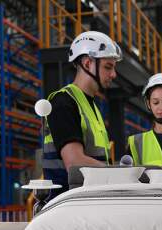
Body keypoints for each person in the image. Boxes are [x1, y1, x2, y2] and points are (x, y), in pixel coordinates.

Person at [43, 31, 122, 196]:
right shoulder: (63, 102)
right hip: (68, 206)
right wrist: (119, 175)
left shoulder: (91, 106)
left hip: (89, 201)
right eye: (108, 67)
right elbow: (74, 162)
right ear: (87, 64)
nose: (113, 74)